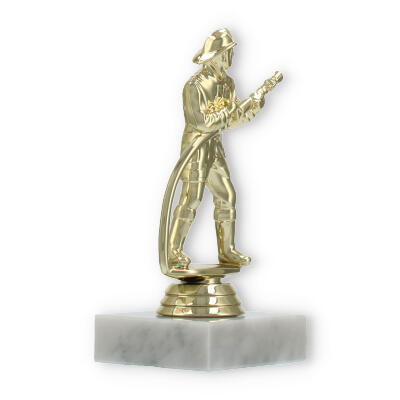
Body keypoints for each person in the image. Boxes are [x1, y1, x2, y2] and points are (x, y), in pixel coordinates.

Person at [168, 28, 275, 268]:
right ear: (216, 55)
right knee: (191, 199)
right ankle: (173, 251)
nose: (231, 57)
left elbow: (232, 120)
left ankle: (227, 251)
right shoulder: (194, 86)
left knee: (227, 196)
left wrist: (253, 107)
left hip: (214, 146)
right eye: (228, 52)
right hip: (196, 148)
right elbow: (201, 122)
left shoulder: (228, 83)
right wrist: (231, 112)